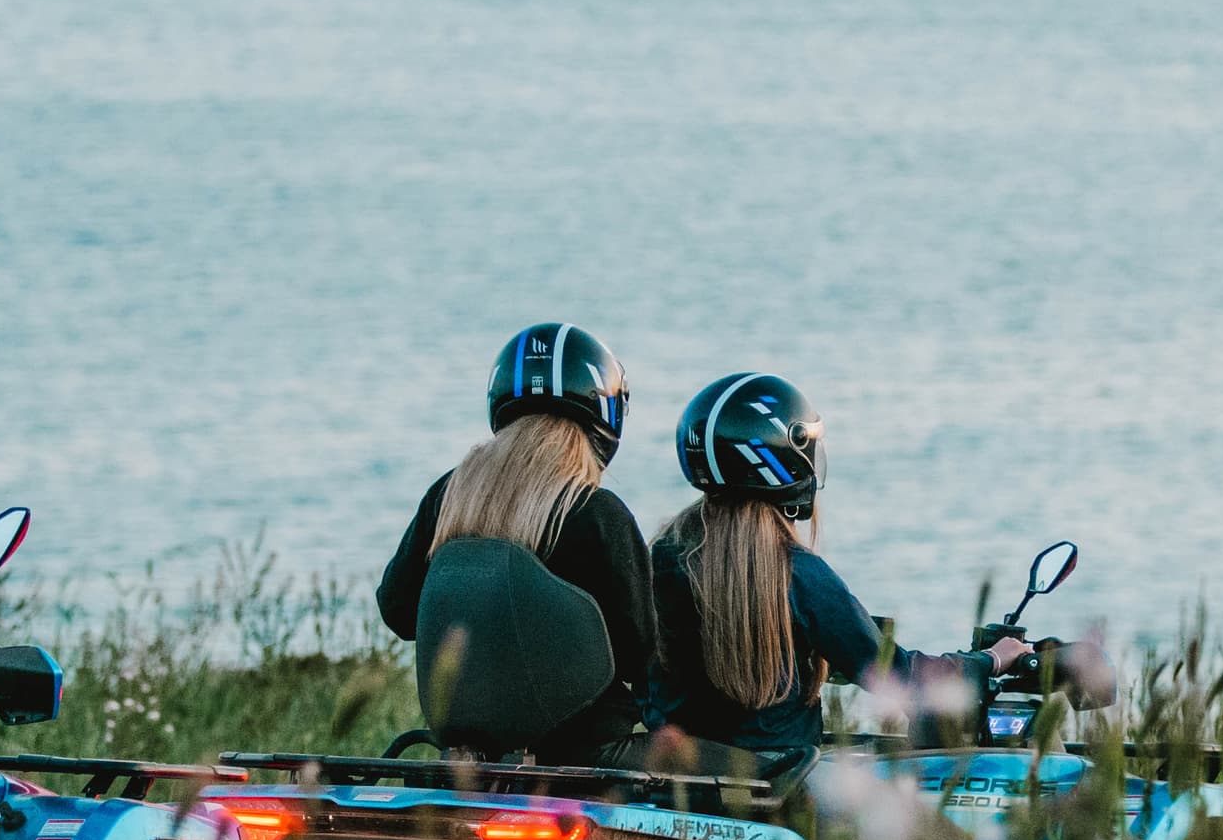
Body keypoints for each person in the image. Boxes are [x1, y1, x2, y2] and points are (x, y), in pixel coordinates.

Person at [643, 372, 1027, 781]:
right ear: (785, 458)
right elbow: (900, 678)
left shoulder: (659, 561)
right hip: (779, 789)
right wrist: (991, 659)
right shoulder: (796, 575)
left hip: (676, 786)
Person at [376, 323, 658, 764]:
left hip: (469, 759)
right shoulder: (597, 513)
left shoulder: (448, 496)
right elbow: (643, 655)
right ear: (607, 414)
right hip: (589, 758)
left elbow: (397, 610)